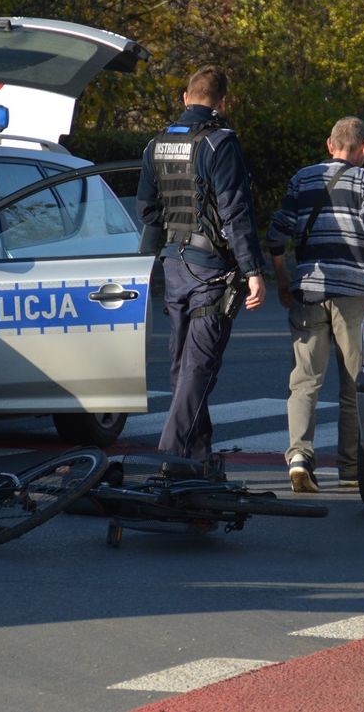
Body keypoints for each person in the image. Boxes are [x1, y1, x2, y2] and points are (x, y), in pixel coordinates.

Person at [136, 66, 266, 470]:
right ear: (223, 102)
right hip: (210, 271)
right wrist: (252, 269)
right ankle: (170, 460)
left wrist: (147, 267)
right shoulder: (220, 143)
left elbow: (147, 211)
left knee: (182, 367)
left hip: (173, 267)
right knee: (198, 367)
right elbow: (234, 210)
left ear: (184, 97)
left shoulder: (155, 145)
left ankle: (198, 461)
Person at [265, 116, 364, 492]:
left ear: (329, 144)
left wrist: (282, 274)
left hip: (308, 288)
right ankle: (351, 466)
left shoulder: (302, 179)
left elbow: (278, 231)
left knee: (304, 380)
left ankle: (299, 457)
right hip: (353, 291)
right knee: (355, 383)